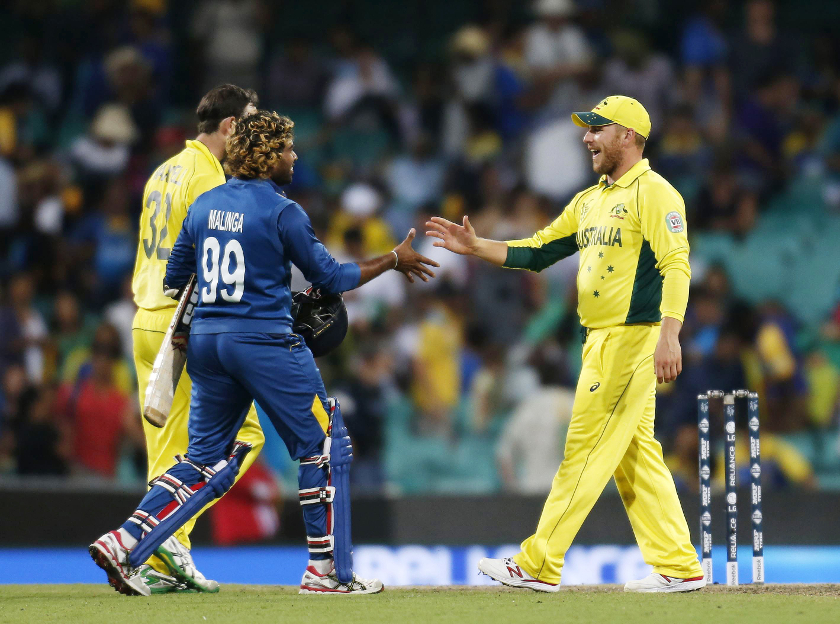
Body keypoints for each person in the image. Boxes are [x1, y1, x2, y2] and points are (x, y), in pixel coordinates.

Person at [90, 109, 438, 596]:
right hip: (265, 342)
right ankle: (328, 573)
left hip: (209, 344)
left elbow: (175, 280)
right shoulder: (283, 211)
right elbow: (332, 278)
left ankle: (125, 539)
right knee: (323, 442)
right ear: (269, 154)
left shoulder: (205, 205)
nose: (295, 156)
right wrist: (393, 259)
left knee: (204, 460)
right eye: (288, 148)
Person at [426, 95, 706, 593]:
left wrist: (670, 334)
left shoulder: (656, 193)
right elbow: (537, 251)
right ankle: (678, 565)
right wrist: (477, 248)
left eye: (598, 129)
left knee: (584, 448)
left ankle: (539, 562)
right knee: (634, 454)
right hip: (598, 340)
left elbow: (676, 266)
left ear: (630, 136)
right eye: (587, 129)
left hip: (632, 339)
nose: (587, 138)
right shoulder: (590, 199)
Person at [128, 84, 262, 594]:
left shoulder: (163, 170)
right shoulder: (210, 176)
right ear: (229, 126)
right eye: (247, 123)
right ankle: (168, 540)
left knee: (166, 456)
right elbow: (213, 259)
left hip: (145, 319)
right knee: (242, 438)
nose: (252, 133)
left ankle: (151, 558)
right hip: (185, 327)